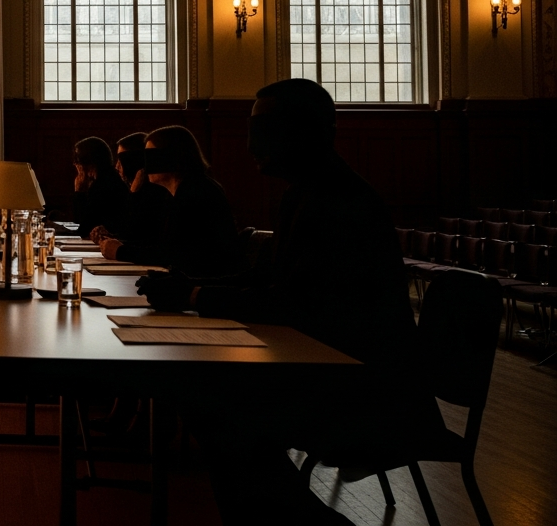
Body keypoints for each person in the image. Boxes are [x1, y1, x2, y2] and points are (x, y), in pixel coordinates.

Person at [135, 79, 444, 525]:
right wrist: (193, 286)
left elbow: (292, 303)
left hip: (365, 391)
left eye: (263, 129)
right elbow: (264, 279)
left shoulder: (339, 202)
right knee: (209, 399)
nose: (250, 144)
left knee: (216, 406)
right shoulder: (307, 192)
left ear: (304, 131)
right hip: (326, 367)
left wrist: (196, 295)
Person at [98, 125, 242, 279]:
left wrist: (121, 251)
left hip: (206, 283)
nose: (146, 165)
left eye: (151, 156)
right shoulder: (179, 191)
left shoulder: (195, 192)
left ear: (172, 156)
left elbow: (175, 254)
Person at [89, 132, 171, 247]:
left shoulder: (158, 192)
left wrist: (134, 195)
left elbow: (140, 234)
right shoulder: (133, 187)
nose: (117, 166)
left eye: (122, 160)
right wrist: (112, 236)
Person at [69, 136, 129, 238]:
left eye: (77, 161)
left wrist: (79, 193)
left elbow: (84, 228)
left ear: (88, 164)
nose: (75, 164)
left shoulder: (102, 186)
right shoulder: (109, 179)